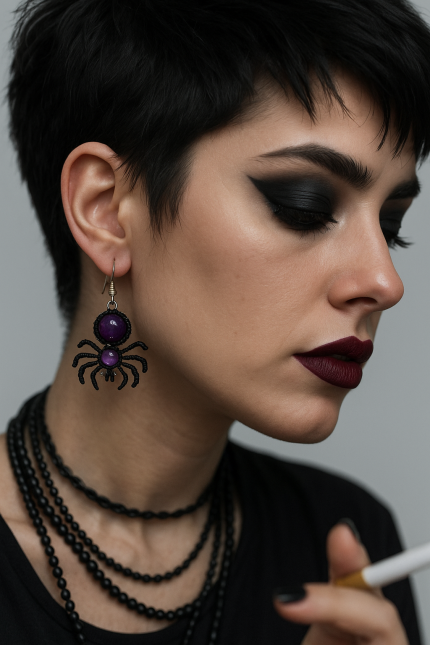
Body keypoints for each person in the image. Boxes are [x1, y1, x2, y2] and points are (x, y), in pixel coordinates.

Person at [1, 0, 430, 643]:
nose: (384, 282)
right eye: (304, 205)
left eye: (390, 225)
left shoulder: (346, 547)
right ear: (107, 211)